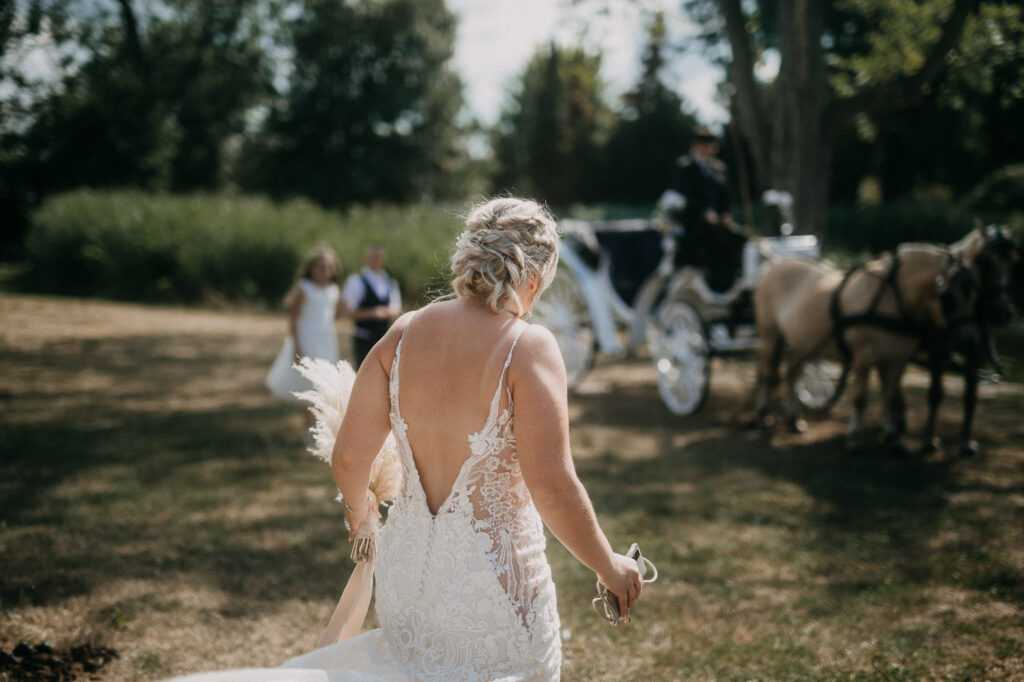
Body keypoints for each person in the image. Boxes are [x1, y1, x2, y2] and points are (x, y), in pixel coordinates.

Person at [174, 198, 645, 681]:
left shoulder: (402, 334)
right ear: (532, 277)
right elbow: (550, 483)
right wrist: (609, 566)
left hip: (404, 579)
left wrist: (362, 521)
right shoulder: (529, 346)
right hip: (492, 599)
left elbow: (350, 459)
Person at [266, 245, 344, 428]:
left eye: (328, 267)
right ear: (311, 269)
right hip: (308, 339)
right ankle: (309, 428)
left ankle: (320, 427)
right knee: (310, 384)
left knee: (325, 385)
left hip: (326, 340)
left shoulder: (333, 290)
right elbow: (293, 320)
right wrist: (297, 346)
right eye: (319, 267)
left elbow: (330, 316)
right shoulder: (304, 288)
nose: (324, 271)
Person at [670, 126, 746, 293]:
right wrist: (705, 212)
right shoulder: (685, 166)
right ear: (698, 146)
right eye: (708, 145)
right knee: (714, 236)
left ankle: (735, 277)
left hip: (718, 221)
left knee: (740, 237)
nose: (713, 149)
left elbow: (727, 194)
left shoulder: (719, 167)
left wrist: (726, 213)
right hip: (695, 221)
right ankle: (716, 279)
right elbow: (685, 193)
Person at [342, 244, 402, 367]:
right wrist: (373, 313)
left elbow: (397, 308)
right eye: (373, 257)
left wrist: (387, 312)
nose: (376, 260)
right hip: (363, 338)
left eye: (378, 257)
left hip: (385, 338)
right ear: (366, 258)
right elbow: (347, 311)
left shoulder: (390, 282)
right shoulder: (356, 281)